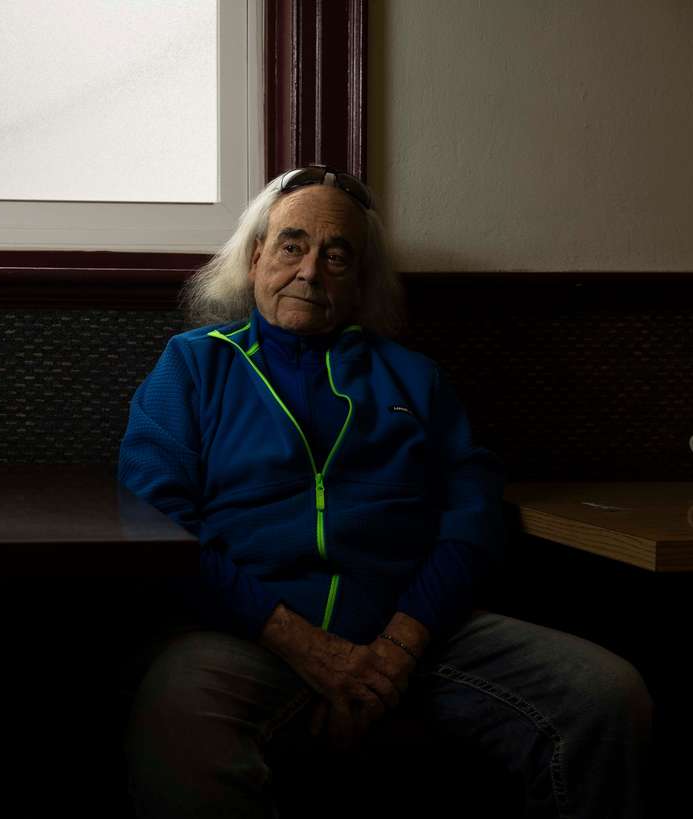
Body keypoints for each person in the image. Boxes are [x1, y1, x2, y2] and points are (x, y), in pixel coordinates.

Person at [116, 165, 652, 818]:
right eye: (291, 245)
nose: (310, 271)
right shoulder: (194, 364)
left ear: (360, 280)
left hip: (419, 634)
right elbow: (157, 521)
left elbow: (474, 517)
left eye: (336, 255)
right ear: (255, 257)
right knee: (179, 714)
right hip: (244, 636)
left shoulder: (415, 379)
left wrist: (398, 647)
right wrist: (301, 643)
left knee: (604, 695)